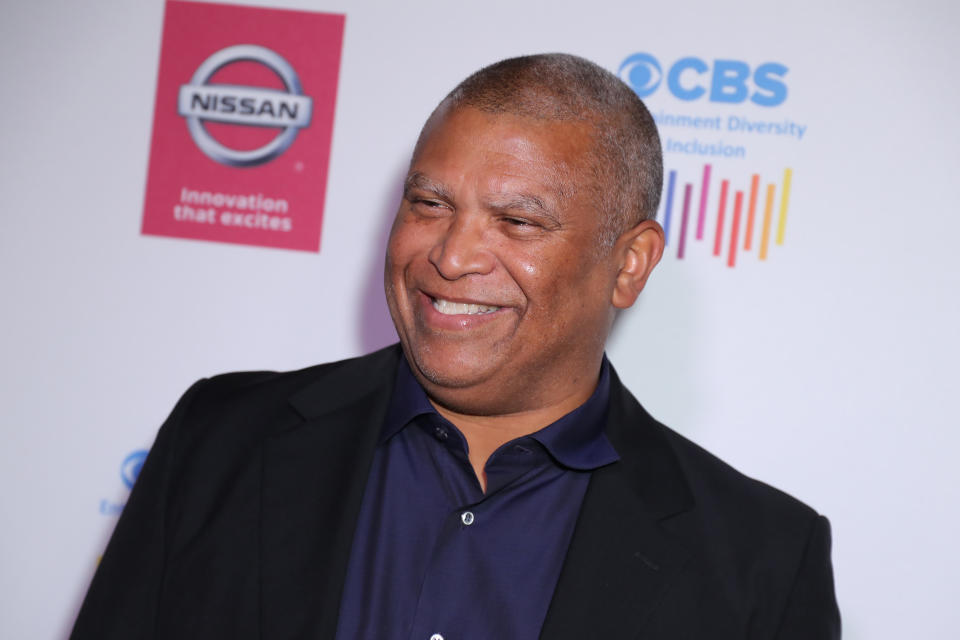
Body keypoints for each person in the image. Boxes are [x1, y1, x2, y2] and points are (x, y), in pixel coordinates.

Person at [71, 54, 840, 639]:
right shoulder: (222, 439)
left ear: (629, 263)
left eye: (517, 221)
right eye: (430, 203)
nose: (451, 256)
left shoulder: (759, 562)